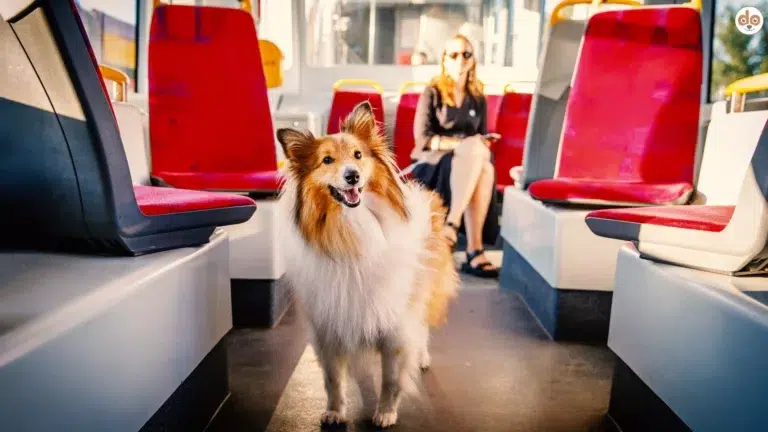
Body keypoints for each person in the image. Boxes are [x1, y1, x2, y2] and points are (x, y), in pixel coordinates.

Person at [409, 34, 500, 278]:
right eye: (454, 54)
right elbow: (423, 138)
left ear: (472, 60)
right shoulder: (432, 92)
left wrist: (478, 143)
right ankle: (474, 250)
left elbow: (480, 137)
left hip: (470, 161)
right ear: (445, 60)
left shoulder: (477, 98)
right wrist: (462, 145)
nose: (461, 59)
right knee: (478, 160)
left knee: (483, 163)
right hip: (434, 161)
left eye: (466, 54)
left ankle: (453, 225)